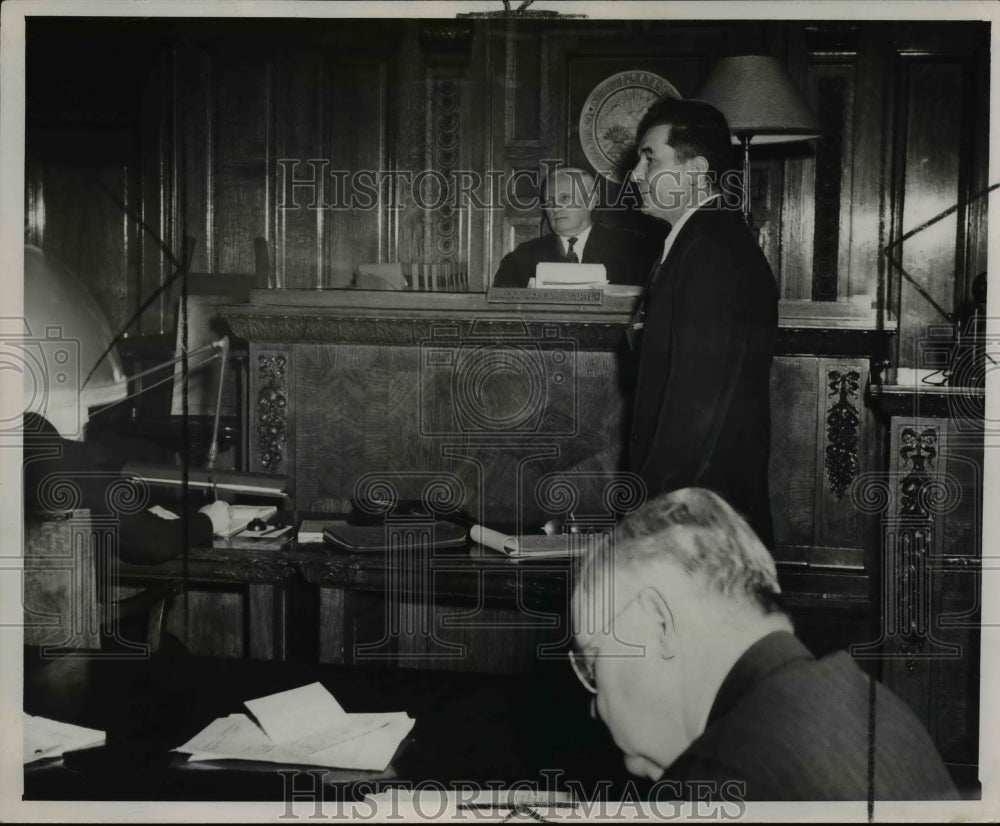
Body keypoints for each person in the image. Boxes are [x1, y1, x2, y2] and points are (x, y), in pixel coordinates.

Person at [569, 488, 959, 801]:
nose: (594, 707)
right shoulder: (876, 710)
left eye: (592, 662)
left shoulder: (721, 781)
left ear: (658, 622)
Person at [627, 97, 777, 547]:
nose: (635, 175)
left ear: (694, 171)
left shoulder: (710, 253)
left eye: (650, 160)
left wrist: (657, 515)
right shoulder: (703, 241)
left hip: (697, 524)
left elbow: (697, 411)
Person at [492, 167, 657, 288]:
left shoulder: (631, 249)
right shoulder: (523, 256)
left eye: (564, 198)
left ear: (591, 201)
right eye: (549, 202)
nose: (555, 208)